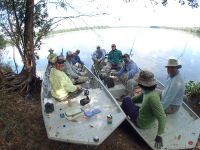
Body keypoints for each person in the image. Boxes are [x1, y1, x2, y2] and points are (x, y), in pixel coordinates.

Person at [121, 70, 166, 149]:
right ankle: (124, 111)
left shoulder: (153, 97)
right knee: (129, 101)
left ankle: (122, 121)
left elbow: (162, 117)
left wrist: (159, 135)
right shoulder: (147, 91)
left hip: (141, 122)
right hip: (145, 116)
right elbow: (138, 98)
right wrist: (130, 102)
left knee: (126, 99)